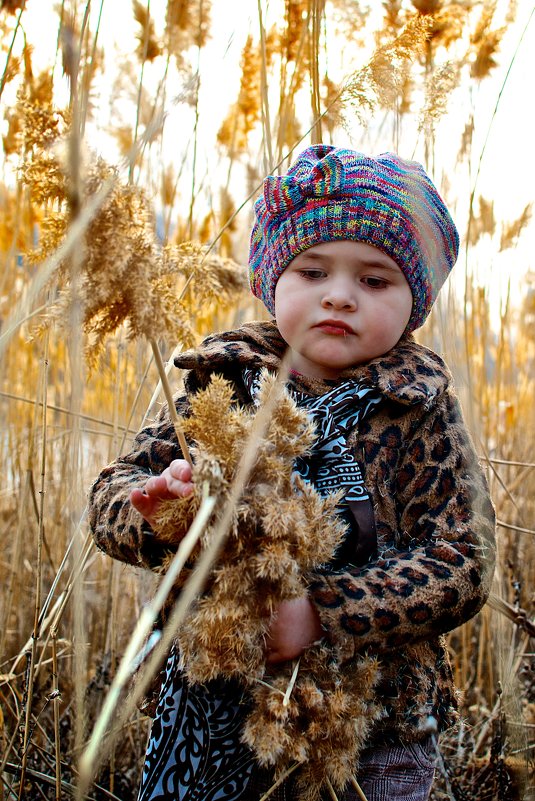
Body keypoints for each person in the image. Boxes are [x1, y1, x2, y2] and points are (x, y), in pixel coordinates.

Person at [88, 145, 496, 801]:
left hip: (376, 709)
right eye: (312, 270)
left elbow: (464, 558)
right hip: (218, 686)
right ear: (272, 279)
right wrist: (157, 509)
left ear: (413, 303)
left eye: (374, 280)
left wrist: (325, 612)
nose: (339, 295)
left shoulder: (419, 409)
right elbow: (113, 493)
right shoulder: (218, 384)